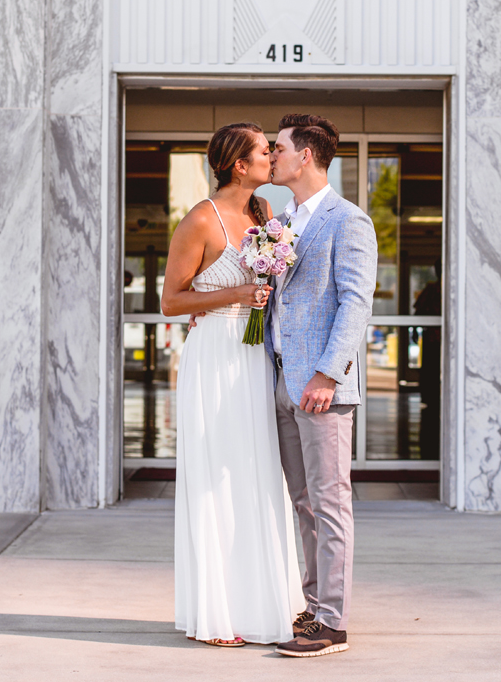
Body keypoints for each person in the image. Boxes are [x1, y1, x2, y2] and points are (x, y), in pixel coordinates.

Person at [161, 123, 303, 647]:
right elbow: (171, 302)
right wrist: (236, 294)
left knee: (259, 476)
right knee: (216, 481)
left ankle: (265, 604)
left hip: (254, 358)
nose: (272, 156)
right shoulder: (202, 217)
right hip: (215, 359)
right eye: (263, 151)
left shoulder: (264, 216)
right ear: (238, 165)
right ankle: (217, 613)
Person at [265, 114, 378, 658]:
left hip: (322, 387)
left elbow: (356, 303)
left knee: (331, 503)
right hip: (284, 379)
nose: (271, 155)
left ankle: (333, 623)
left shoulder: (348, 220)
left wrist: (329, 374)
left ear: (305, 155)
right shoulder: (282, 221)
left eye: (278, 147)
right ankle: (313, 609)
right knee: (304, 502)